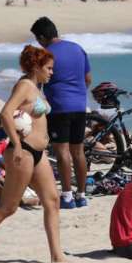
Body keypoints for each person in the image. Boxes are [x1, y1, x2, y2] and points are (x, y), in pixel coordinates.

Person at [0, 45, 65, 263]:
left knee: (52, 200)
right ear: (36, 67)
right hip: (23, 152)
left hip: (39, 153)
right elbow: (5, 113)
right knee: (8, 207)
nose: (51, 72)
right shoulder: (25, 86)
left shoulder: (37, 88)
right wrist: (17, 144)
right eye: (48, 68)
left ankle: (57, 256)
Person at [30, 16, 92, 209]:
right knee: (78, 151)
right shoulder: (77, 49)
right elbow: (88, 79)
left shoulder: (44, 54)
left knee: (62, 151)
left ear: (42, 37)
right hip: (80, 106)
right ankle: (81, 195)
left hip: (59, 107)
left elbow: (36, 84)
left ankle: (67, 196)